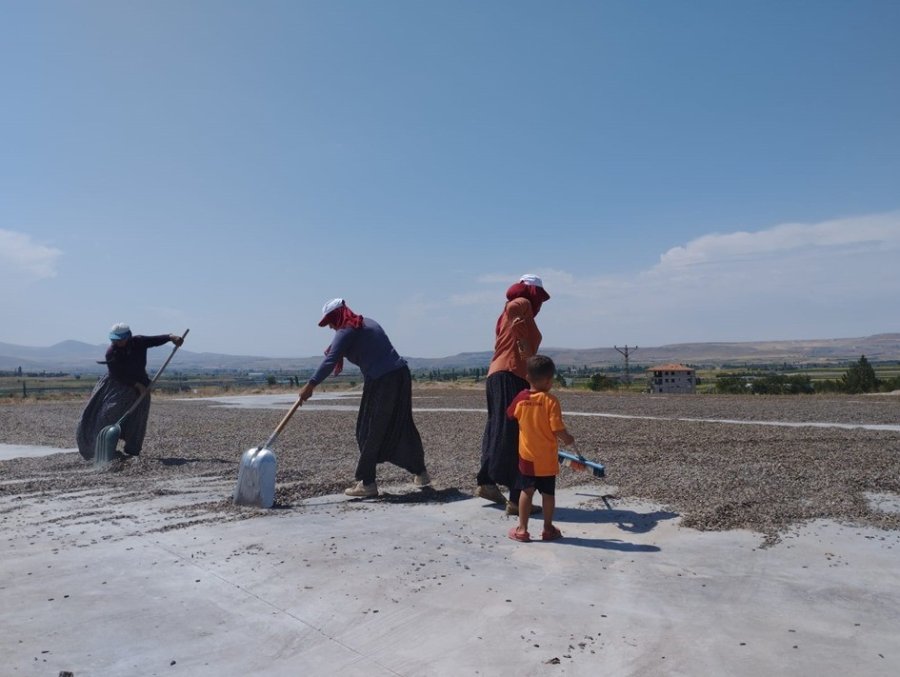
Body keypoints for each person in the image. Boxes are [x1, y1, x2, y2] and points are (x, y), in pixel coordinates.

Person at [299, 298, 430, 497]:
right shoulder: (366, 323)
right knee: (401, 424)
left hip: (382, 380)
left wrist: (311, 385)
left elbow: (331, 359)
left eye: (330, 321)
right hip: (400, 375)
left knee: (369, 429)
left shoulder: (347, 331)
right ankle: (421, 473)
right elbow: (339, 349)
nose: (331, 327)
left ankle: (367, 483)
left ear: (337, 316)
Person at [476, 274, 550, 515]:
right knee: (519, 435)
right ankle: (517, 500)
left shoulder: (507, 317)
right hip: (511, 376)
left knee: (497, 428)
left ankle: (487, 483)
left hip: (497, 375)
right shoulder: (522, 303)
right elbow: (514, 304)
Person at [76, 324, 184, 460]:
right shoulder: (111, 352)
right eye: (114, 340)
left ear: (128, 336)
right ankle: (97, 450)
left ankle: (132, 450)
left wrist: (171, 337)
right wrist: (135, 385)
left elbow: (155, 340)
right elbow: (116, 374)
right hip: (118, 386)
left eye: (120, 339)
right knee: (107, 415)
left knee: (137, 418)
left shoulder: (138, 341)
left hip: (141, 387)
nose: (117, 342)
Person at [505, 355, 574, 542]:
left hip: (527, 457)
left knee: (526, 491)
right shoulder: (551, 401)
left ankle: (522, 529)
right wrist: (568, 439)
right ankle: (547, 528)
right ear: (549, 381)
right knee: (548, 494)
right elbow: (557, 428)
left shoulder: (521, 398)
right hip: (547, 459)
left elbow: (510, 414)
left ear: (527, 377)